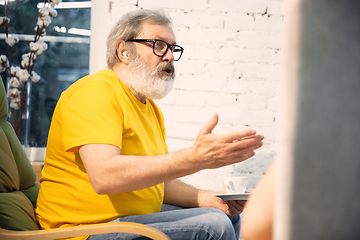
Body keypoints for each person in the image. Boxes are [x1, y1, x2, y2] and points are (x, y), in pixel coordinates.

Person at [35, 9, 264, 240]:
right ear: (123, 51)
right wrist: (196, 158)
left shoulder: (151, 110)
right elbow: (104, 176)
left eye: (173, 48)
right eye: (159, 45)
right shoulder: (95, 93)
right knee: (213, 226)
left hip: (129, 220)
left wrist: (209, 197)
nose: (170, 56)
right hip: (81, 229)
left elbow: (157, 182)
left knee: (226, 215)